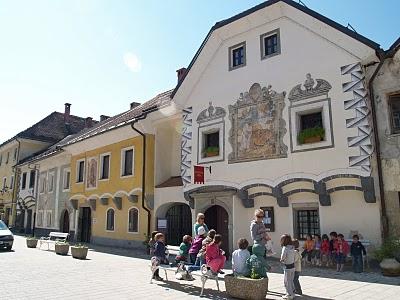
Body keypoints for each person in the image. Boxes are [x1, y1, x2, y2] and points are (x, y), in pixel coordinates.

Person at [280, 234, 295, 300]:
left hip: (287, 267)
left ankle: (289, 295)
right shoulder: (292, 247)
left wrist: (281, 260)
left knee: (286, 281)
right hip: (293, 266)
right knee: (291, 280)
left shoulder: (285, 248)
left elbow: (283, 256)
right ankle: (292, 293)